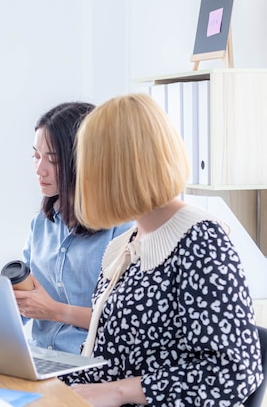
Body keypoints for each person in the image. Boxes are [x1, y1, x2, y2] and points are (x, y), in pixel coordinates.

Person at [64, 92, 263, 406]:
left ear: (117, 170)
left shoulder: (201, 241)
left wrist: (119, 391)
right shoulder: (127, 244)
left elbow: (237, 372)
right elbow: (113, 357)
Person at [16, 102, 133, 354]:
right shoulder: (41, 224)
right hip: (38, 355)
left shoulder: (124, 228)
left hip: (89, 367)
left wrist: (54, 311)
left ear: (85, 160)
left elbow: (127, 324)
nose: (39, 169)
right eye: (36, 156)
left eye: (53, 160)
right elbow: (23, 308)